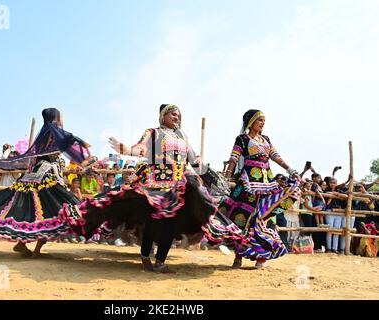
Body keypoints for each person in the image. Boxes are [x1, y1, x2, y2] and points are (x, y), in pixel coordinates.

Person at [67, 104, 217, 273]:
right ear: (163, 116)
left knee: (170, 225)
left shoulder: (183, 139)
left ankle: (160, 262)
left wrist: (200, 163)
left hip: (177, 187)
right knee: (153, 224)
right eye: (173, 114)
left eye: (178, 115)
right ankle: (145, 257)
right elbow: (141, 148)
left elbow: (194, 163)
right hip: (155, 186)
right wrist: (126, 150)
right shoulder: (154, 133)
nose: (177, 117)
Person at [0, 108, 91, 257]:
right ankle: (34, 250)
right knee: (54, 210)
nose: (63, 120)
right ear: (55, 118)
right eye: (61, 117)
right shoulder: (55, 131)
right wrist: (84, 150)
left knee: (35, 211)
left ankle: (23, 245)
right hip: (46, 177)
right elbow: (69, 140)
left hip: (37, 175)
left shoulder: (45, 134)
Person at [203, 109, 300, 269]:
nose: (263, 123)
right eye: (260, 120)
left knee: (266, 218)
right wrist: (226, 178)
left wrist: (290, 170)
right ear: (251, 122)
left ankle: (261, 258)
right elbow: (233, 159)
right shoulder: (242, 139)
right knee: (241, 218)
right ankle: (238, 257)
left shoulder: (266, 139)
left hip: (267, 182)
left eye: (264, 120)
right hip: (248, 183)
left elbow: (276, 156)